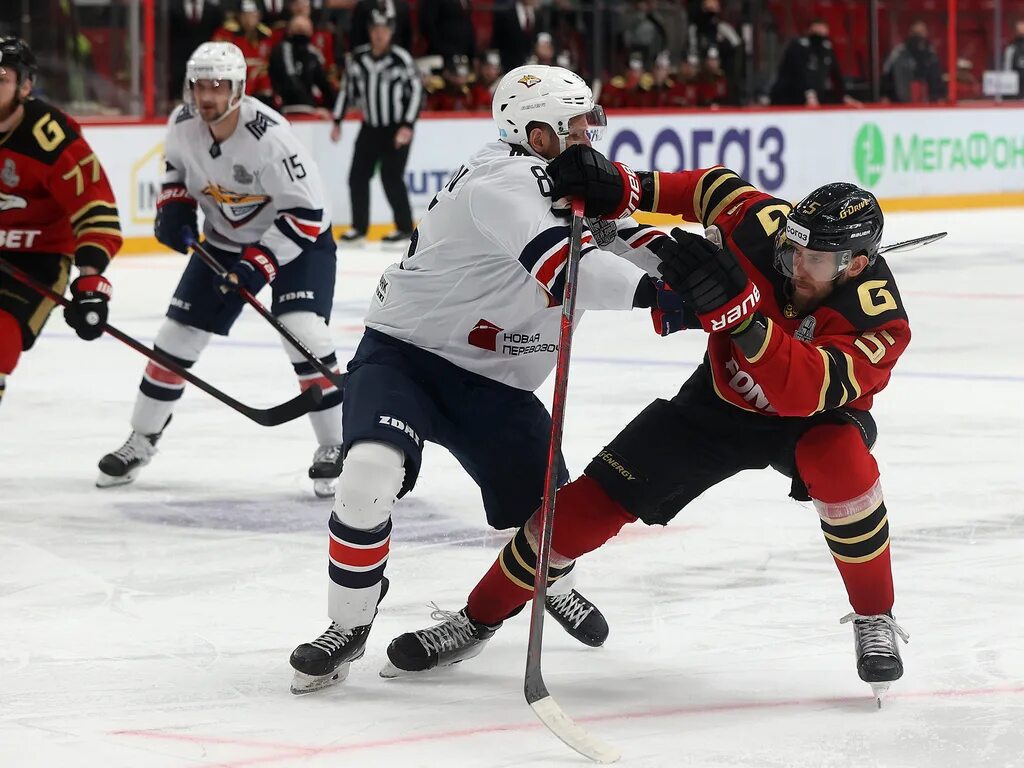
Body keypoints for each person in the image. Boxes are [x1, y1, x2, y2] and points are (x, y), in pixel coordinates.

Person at [383, 144, 914, 703]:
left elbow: (799, 392)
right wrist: (625, 185)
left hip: (811, 419)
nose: (796, 267)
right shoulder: (764, 223)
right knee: (586, 505)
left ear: (855, 265)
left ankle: (875, 615)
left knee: (842, 464)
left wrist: (743, 317)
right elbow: (711, 186)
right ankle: (477, 619)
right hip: (716, 405)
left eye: (816, 262)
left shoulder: (880, 320)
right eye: (791, 251)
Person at [287, 64, 692, 695]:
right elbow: (568, 265)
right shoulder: (501, 180)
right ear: (538, 133)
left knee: (549, 521)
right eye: (578, 125)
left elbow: (631, 238)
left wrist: (713, 270)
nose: (592, 136)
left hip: (498, 384)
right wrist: (666, 299)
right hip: (408, 357)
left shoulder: (566, 175)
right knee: (368, 471)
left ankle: (542, 584)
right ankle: (346, 626)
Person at [95, 42, 344, 498]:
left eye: (217, 85)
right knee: (174, 340)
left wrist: (259, 266)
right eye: (199, 85)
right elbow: (176, 170)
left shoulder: (271, 138)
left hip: (299, 242)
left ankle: (336, 446)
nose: (206, 95)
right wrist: (173, 205)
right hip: (226, 243)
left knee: (304, 332)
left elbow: (307, 214)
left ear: (238, 89)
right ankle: (141, 440)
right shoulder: (182, 124)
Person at [0, 37, 122, 411]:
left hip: (36, 260)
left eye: (0, 77)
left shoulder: (51, 138)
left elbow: (96, 211)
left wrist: (89, 281)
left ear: (25, 86)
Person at [331, 10, 422, 245]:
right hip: (370, 126)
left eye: (384, 30)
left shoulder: (401, 58)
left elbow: (416, 92)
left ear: (390, 32)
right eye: (376, 30)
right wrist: (337, 120)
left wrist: (407, 126)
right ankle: (359, 228)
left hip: (396, 128)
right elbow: (346, 91)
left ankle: (404, 228)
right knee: (357, 177)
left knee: (391, 176)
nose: (380, 35)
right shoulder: (358, 60)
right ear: (370, 32)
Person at [770, 19, 859, 107]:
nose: (820, 36)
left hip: (815, 97)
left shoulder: (826, 49)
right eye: (817, 32)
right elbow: (800, 73)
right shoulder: (798, 47)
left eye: (823, 32)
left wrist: (843, 96)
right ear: (809, 31)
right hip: (790, 99)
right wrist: (809, 93)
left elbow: (836, 74)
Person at [269, 13, 336, 111]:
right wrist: (308, 104)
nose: (302, 34)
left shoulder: (312, 53)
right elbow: (290, 78)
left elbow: (323, 82)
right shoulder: (283, 50)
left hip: (308, 107)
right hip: (284, 107)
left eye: (305, 30)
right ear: (290, 31)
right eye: (299, 29)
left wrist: (333, 107)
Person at [212, 0, 274, 104]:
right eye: (245, 14)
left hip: (259, 86)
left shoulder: (265, 36)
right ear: (239, 15)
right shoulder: (225, 34)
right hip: (232, 84)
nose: (249, 19)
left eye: (253, 15)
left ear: (259, 16)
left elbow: (265, 65)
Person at [881, 20, 944, 103]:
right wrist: (885, 95)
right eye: (916, 32)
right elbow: (887, 75)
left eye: (921, 32)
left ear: (926, 33)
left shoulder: (931, 54)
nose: (919, 36)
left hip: (927, 104)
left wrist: (938, 97)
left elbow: (936, 78)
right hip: (900, 103)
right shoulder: (898, 53)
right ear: (910, 33)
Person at [1002, 19, 1024, 99]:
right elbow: (1007, 70)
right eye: (1020, 29)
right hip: (1016, 92)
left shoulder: (1011, 47)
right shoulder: (1012, 48)